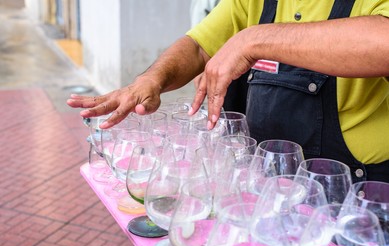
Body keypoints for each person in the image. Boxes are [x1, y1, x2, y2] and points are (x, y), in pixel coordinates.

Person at [67, 0, 389, 183]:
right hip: (265, 196)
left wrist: (254, 40)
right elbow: (197, 46)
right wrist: (151, 80)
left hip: (352, 205)